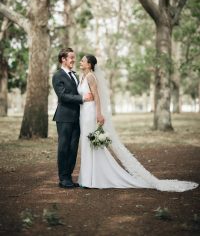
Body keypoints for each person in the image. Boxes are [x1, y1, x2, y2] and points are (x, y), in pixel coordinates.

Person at [77, 54, 198, 191]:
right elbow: (84, 95)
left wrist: (99, 114)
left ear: (90, 65)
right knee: (86, 144)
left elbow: (97, 97)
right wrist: (84, 99)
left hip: (91, 114)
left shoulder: (91, 77)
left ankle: (94, 179)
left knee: (91, 144)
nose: (80, 62)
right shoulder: (81, 77)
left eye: (83, 61)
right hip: (83, 114)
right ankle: (88, 178)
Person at [52, 48, 93, 189]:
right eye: (71, 57)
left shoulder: (75, 75)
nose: (74, 60)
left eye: (74, 57)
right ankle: (63, 179)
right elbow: (62, 96)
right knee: (64, 148)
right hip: (64, 117)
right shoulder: (58, 75)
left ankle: (68, 176)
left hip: (77, 118)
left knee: (73, 148)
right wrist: (82, 98)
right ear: (63, 59)